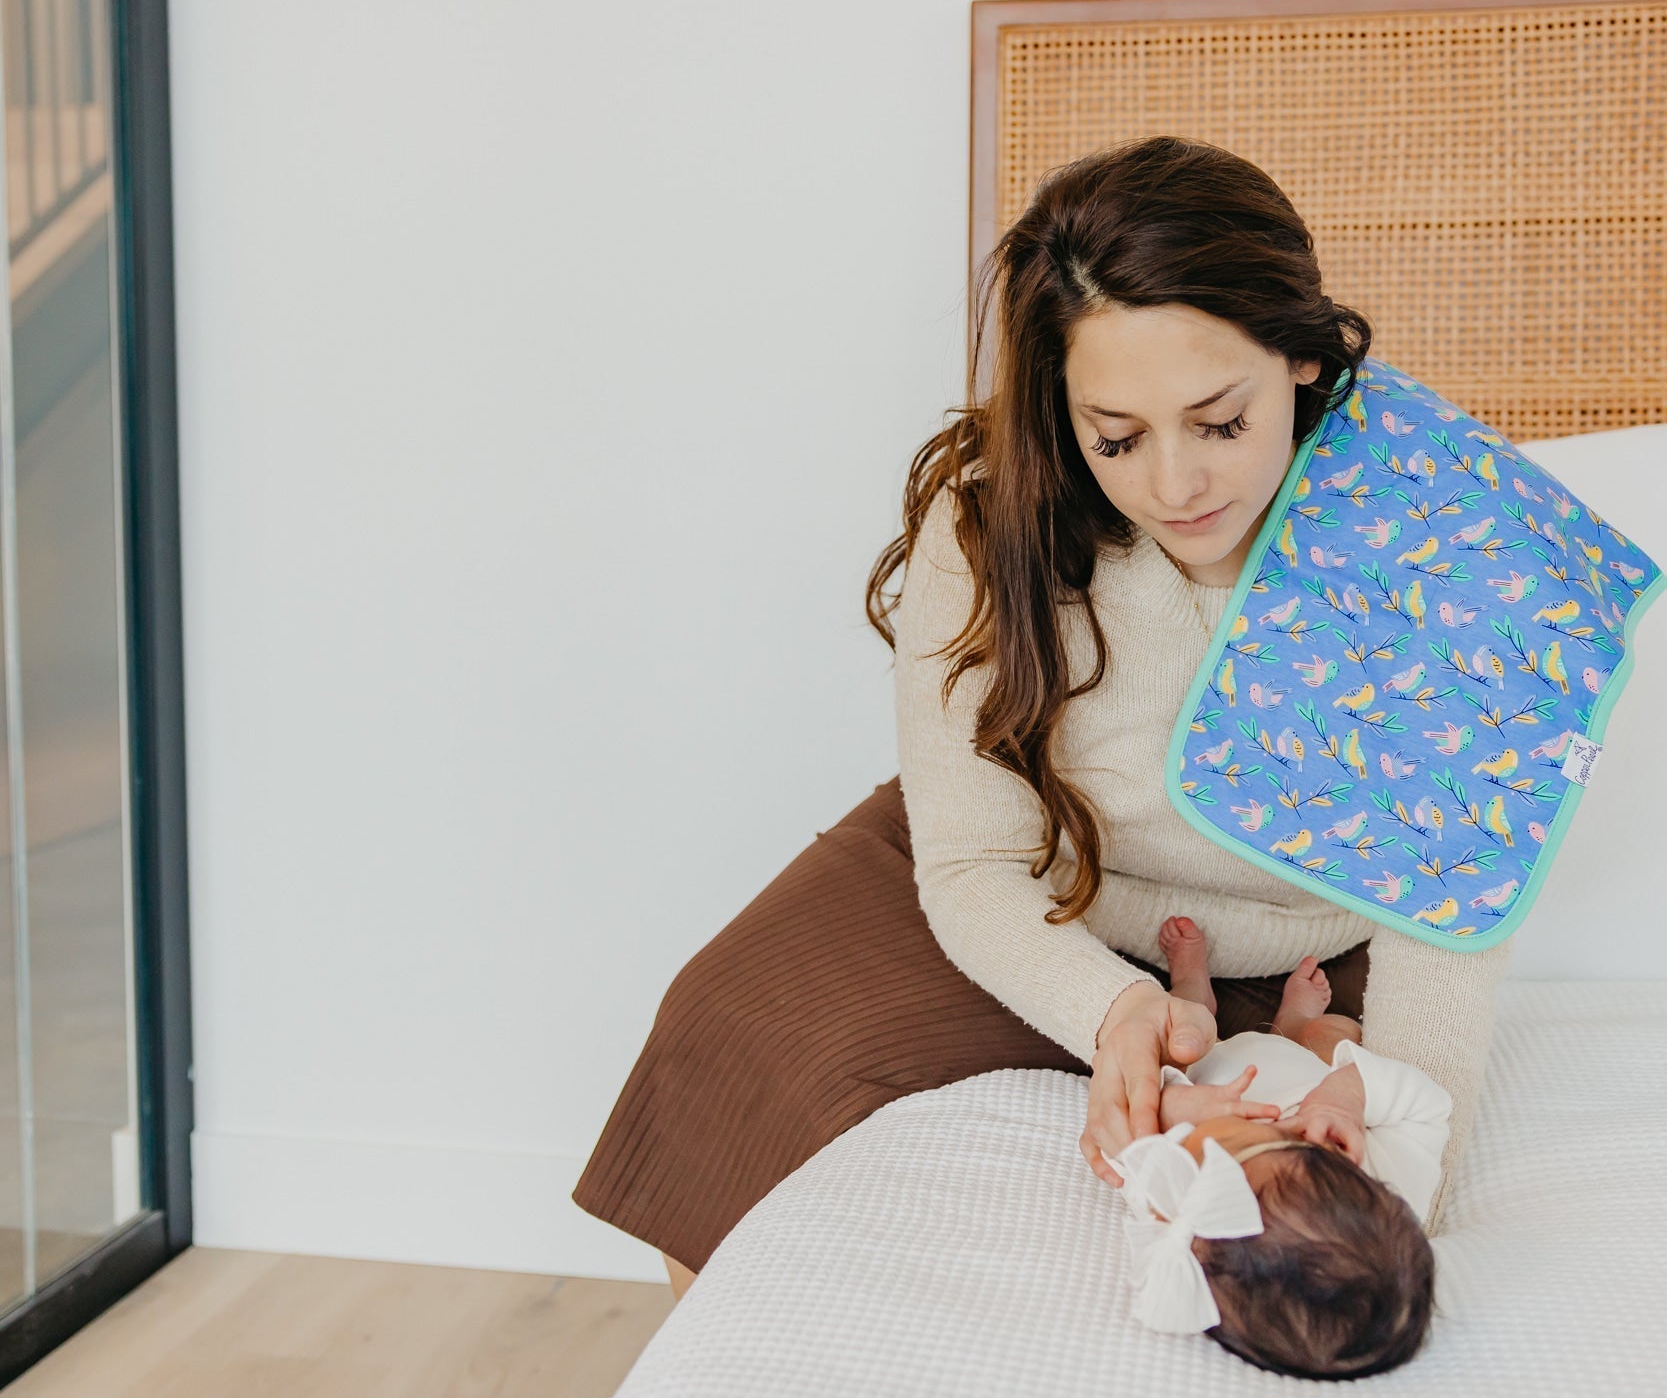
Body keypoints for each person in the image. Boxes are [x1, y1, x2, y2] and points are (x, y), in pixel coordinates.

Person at [570, 135, 1511, 1302]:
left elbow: (1452, 901)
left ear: (1301, 359)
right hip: (1028, 874)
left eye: (1219, 422)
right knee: (726, 1022)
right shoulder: (989, 522)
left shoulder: (1436, 539)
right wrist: (1108, 1007)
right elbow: (969, 857)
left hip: (1300, 945)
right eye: (1114, 436)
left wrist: (1385, 1150)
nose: (1172, 485)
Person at [1108, 914, 1447, 1377]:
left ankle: (1191, 986)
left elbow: (1129, 1148)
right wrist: (1342, 1099)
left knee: (1179, 1038)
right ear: (1321, 1146)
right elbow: (1427, 1106)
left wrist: (1176, 1107)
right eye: (1274, 1134)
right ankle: (1297, 1023)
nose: (1210, 1149)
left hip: (1204, 1066)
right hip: (1301, 1066)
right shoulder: (1395, 1172)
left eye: (1212, 1156)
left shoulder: (1189, 1224)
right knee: (1337, 1034)